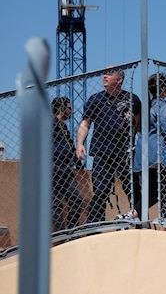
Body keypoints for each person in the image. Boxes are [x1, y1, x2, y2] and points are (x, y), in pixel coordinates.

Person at [76, 67, 141, 223]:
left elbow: (140, 126)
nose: (104, 76)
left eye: (109, 74)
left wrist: (132, 120)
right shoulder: (95, 99)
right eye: (103, 74)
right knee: (100, 191)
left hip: (125, 153)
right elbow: (85, 124)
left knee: (133, 190)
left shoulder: (132, 99)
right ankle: (94, 227)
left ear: (119, 79)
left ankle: (140, 224)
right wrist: (79, 144)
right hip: (102, 153)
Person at [118, 73, 166, 220]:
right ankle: (165, 225)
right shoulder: (162, 105)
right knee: (165, 192)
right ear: (165, 89)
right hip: (160, 154)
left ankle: (132, 214)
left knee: (152, 192)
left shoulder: (146, 106)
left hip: (144, 155)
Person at [51, 97, 83, 231]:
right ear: (61, 109)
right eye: (69, 108)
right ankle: (61, 234)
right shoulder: (49, 124)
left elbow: (68, 146)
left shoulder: (62, 126)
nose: (71, 110)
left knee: (76, 200)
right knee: (54, 204)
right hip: (52, 169)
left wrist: (76, 161)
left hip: (65, 169)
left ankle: (71, 230)